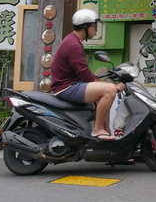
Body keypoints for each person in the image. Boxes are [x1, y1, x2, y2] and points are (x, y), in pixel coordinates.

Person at [49, 9, 124, 141]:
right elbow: (86, 77)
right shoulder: (73, 45)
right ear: (85, 27)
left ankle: (107, 136)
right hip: (66, 87)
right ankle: (97, 129)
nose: (95, 31)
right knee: (109, 90)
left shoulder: (73, 41)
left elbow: (86, 75)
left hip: (72, 84)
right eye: (94, 27)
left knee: (102, 94)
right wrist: (114, 85)